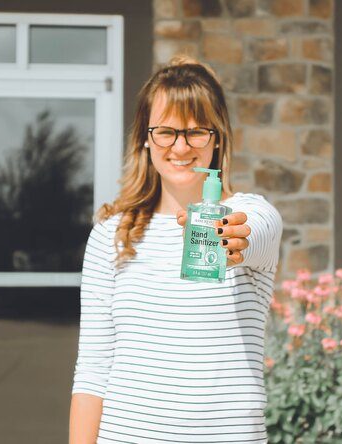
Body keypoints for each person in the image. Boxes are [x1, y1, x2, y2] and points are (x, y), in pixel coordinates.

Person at [68, 55, 283, 444]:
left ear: (217, 138)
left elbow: (253, 233)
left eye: (196, 131)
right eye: (166, 131)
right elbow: (93, 371)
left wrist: (231, 237)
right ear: (145, 138)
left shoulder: (253, 213)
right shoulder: (111, 235)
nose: (181, 147)